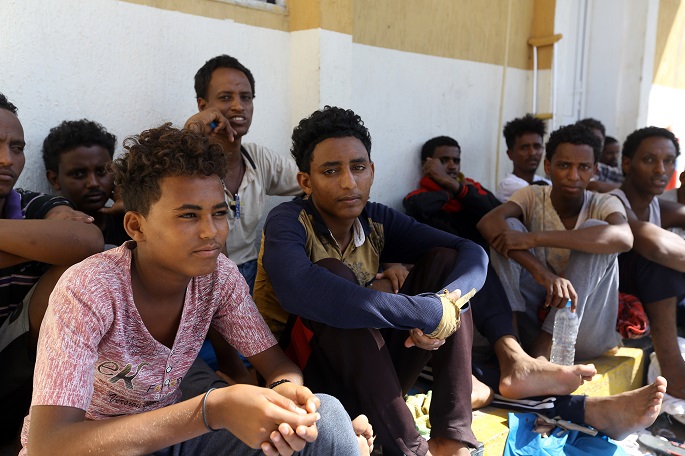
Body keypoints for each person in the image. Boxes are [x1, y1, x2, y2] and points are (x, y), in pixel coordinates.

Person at [21, 123, 369, 456]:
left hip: (174, 440)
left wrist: (286, 399)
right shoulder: (89, 290)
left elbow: (277, 366)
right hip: (94, 447)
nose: (211, 232)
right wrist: (212, 409)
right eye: (188, 216)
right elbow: (48, 445)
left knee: (329, 421)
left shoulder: (218, 278)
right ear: (136, 226)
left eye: (218, 213)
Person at [255, 106, 489, 456]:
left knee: (445, 263)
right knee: (333, 278)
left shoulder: (374, 219)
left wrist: (440, 308)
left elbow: (471, 252)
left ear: (372, 171)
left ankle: (451, 439)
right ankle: (410, 449)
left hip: (372, 377)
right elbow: (299, 289)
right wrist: (418, 312)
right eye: (330, 171)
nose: (349, 182)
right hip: (303, 382)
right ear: (306, 181)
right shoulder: (288, 221)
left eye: (358, 167)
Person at [478, 123, 633, 360]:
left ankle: (544, 345)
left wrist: (532, 238)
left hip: (584, 331)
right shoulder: (532, 195)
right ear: (548, 166)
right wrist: (541, 272)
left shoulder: (604, 203)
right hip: (533, 322)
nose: (573, 176)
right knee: (508, 228)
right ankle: (511, 340)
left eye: (583, 167)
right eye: (564, 165)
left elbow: (624, 237)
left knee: (597, 231)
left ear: (594, 170)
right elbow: (488, 222)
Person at [0, 94, 104, 447]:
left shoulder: (29, 203)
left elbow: (86, 240)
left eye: (17, 148)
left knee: (79, 270)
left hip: (17, 362)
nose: (7, 159)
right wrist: (35, 242)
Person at [183, 54, 301, 293]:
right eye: (226, 97)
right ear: (203, 106)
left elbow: (314, 181)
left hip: (251, 274)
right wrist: (193, 132)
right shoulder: (188, 164)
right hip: (201, 277)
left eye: (246, 97)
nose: (239, 106)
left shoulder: (258, 159)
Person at [609, 126, 685, 400]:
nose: (660, 169)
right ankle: (674, 371)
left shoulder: (657, 205)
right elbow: (655, 246)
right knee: (661, 264)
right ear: (627, 163)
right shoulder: (613, 202)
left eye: (668, 161)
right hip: (602, 303)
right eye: (649, 159)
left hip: (642, 297)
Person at [42, 119, 130, 247]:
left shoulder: (130, 223)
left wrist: (134, 209)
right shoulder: (50, 235)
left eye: (102, 171)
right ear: (54, 179)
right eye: (78, 174)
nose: (93, 183)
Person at [403, 135, 500, 247]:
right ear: (427, 164)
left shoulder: (472, 187)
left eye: (456, 161)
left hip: (481, 255)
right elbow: (416, 206)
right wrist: (449, 192)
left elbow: (498, 212)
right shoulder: (421, 197)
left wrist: (457, 188)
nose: (452, 166)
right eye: (444, 160)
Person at [495, 114, 550, 202]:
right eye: (524, 148)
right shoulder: (509, 185)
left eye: (537, 146)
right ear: (510, 154)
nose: (532, 153)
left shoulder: (541, 180)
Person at [577, 118, 623, 190]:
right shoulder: (571, 167)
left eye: (598, 140)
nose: (594, 144)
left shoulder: (601, 169)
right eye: (589, 139)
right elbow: (591, 186)